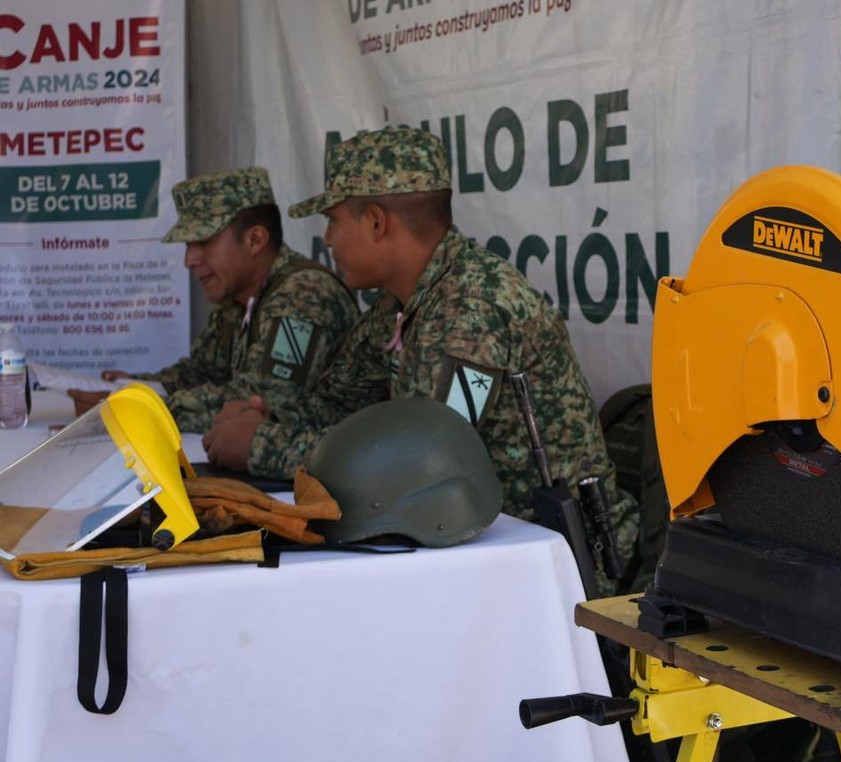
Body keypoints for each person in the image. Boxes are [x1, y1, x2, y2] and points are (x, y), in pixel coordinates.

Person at [203, 128, 638, 566]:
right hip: (469, 540)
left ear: (376, 222)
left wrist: (261, 445)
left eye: (333, 220)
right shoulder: (402, 302)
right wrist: (264, 417)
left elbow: (418, 466)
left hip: (559, 560)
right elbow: (336, 404)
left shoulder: (474, 307)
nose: (328, 240)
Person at [69, 167, 359, 433]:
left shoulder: (304, 294)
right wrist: (134, 388)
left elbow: (261, 401)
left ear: (255, 240)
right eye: (188, 245)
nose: (189, 260)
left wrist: (135, 410)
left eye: (203, 243)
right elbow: (201, 373)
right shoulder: (239, 299)